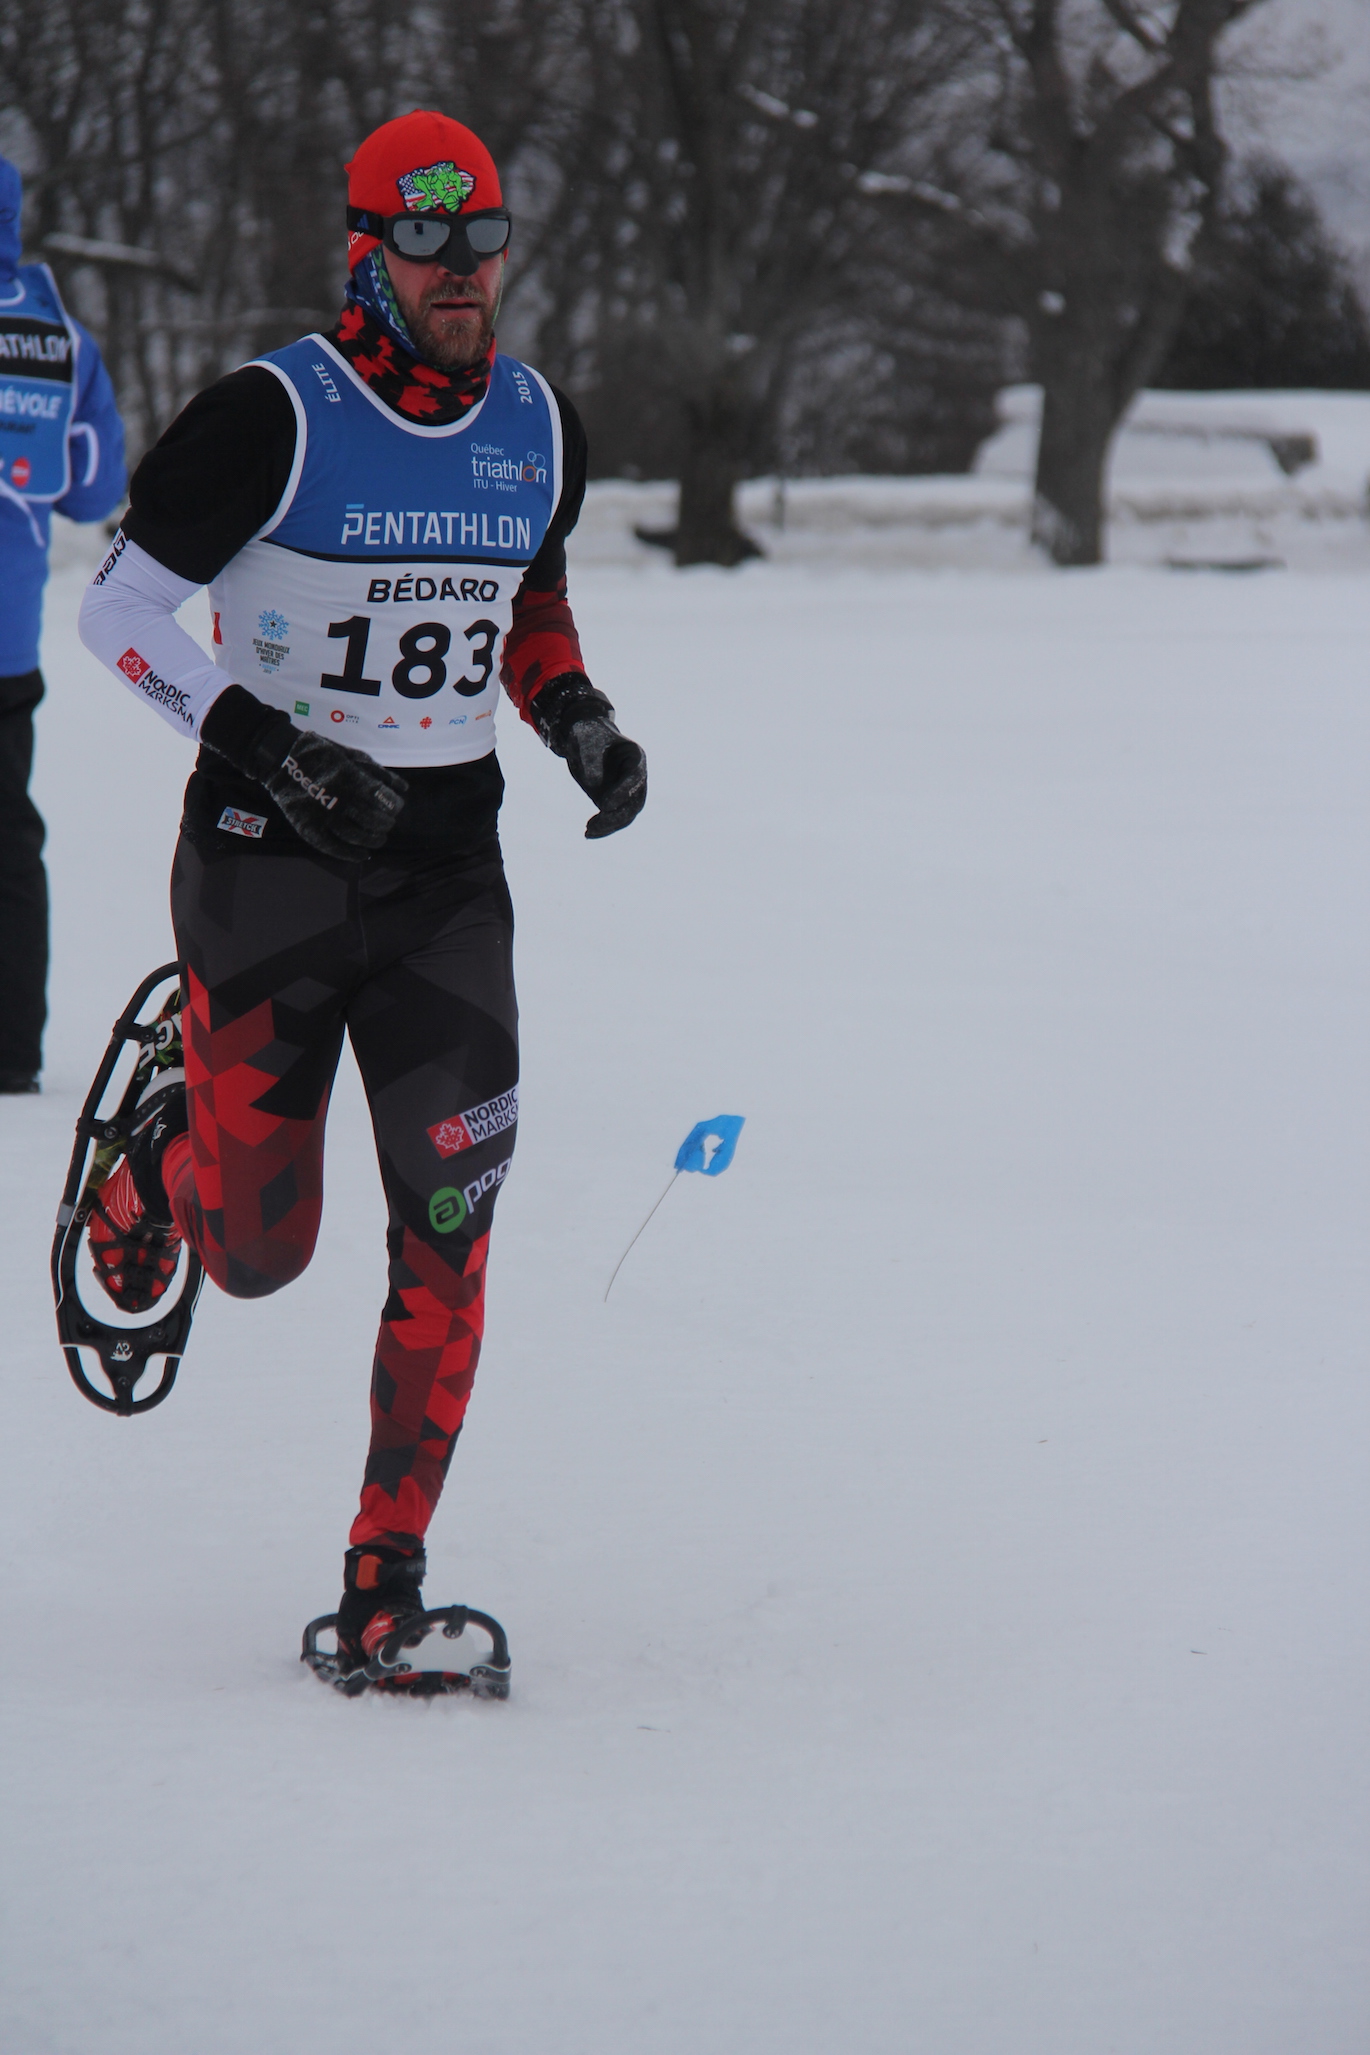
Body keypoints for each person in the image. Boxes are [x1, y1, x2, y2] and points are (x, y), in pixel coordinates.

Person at [78, 109, 646, 1679]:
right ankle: (161, 1151)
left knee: (450, 1228)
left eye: (484, 241)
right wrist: (261, 742)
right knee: (258, 1255)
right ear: (366, 251)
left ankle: (381, 1575)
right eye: (427, 240)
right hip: (266, 873)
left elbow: (521, 600)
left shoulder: (538, 422)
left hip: (449, 886)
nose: (462, 272)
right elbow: (116, 613)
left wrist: (575, 715)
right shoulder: (273, 413)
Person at [0, 156, 126, 1092]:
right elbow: (94, 494)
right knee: (9, 841)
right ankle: (10, 1051)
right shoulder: (64, 341)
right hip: (8, 642)